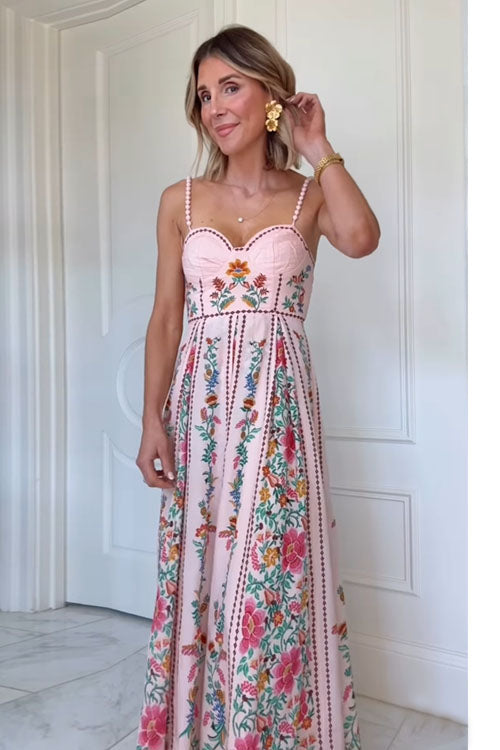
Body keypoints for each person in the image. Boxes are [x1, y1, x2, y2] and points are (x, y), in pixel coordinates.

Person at [135, 23, 379, 750]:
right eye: (204, 95)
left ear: (270, 94)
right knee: (203, 574)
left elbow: (362, 238)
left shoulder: (309, 197)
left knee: (271, 577)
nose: (214, 106)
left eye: (230, 87)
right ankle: (201, 728)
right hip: (200, 416)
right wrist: (152, 420)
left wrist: (317, 146)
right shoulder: (180, 201)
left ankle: (271, 731)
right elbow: (167, 316)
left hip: (279, 417)